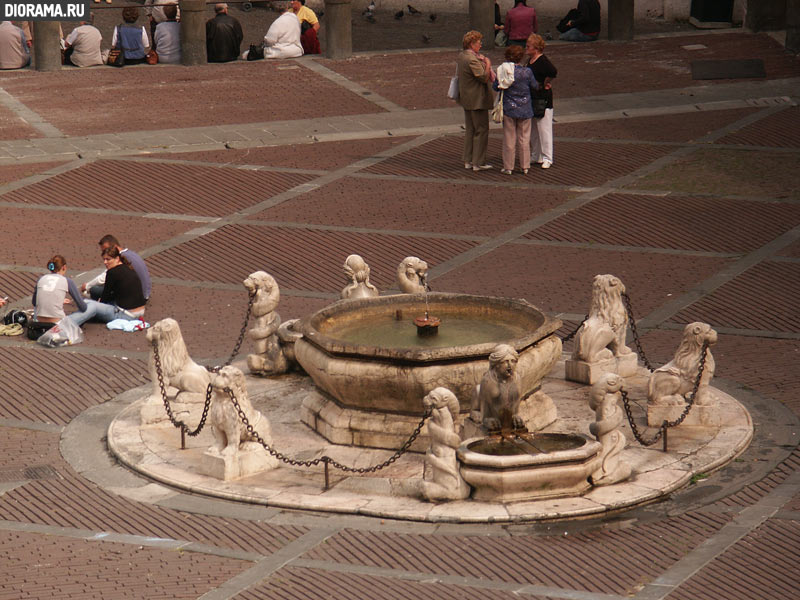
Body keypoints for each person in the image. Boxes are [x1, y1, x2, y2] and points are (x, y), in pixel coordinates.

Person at [68, 246, 146, 327]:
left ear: (117, 259)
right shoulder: (127, 267)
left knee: (91, 305)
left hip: (126, 315)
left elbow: (105, 296)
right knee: (90, 303)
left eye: (108, 259)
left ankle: (67, 323)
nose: (105, 262)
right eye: (104, 259)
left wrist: (99, 303)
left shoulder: (112, 272)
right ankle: (74, 318)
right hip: (139, 312)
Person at [492, 45, 538, 175]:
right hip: (525, 108)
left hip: (508, 108)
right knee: (524, 138)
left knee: (509, 138)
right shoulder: (527, 72)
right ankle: (525, 166)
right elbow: (534, 85)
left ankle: (508, 167)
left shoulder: (502, 71)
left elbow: (496, 87)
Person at [457, 30, 495, 172]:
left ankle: (468, 159)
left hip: (467, 99)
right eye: (479, 42)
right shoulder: (472, 59)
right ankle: (478, 162)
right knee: (481, 130)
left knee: (470, 130)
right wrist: (488, 64)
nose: (480, 44)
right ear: (472, 44)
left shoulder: (462, 56)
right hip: (477, 99)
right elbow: (483, 77)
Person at [81, 234, 151, 302]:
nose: (105, 253)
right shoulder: (130, 253)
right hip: (145, 293)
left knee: (94, 290)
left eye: (106, 249)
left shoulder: (120, 258)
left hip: (137, 297)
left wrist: (87, 286)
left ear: (115, 246)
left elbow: (103, 278)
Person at [526, 33, 557, 169]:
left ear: (536, 48)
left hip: (542, 98)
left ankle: (547, 157)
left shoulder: (542, 61)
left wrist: (546, 83)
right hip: (533, 97)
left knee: (544, 129)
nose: (526, 48)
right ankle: (536, 154)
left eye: (529, 46)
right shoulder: (530, 60)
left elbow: (553, 72)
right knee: (534, 129)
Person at [32, 255, 87, 324]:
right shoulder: (67, 281)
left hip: (39, 322)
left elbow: (34, 302)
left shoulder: (41, 278)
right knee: (92, 307)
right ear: (64, 267)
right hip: (58, 324)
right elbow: (83, 307)